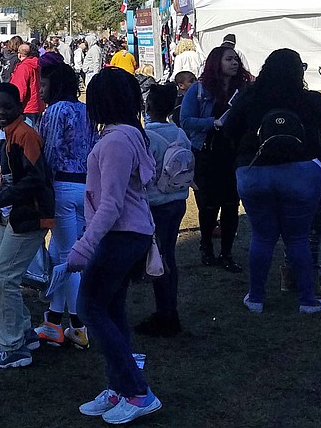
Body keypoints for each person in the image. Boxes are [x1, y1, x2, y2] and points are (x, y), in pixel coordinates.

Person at [69, 67, 161, 424]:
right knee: (112, 309)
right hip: (125, 234)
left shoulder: (117, 141)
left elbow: (111, 204)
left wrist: (83, 246)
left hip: (120, 235)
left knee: (90, 308)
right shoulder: (126, 136)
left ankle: (138, 391)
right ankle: (121, 386)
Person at [220, 48, 321, 315]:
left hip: (253, 172)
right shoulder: (309, 100)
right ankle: (308, 300)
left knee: (262, 237)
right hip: (300, 173)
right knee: (298, 239)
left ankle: (256, 298)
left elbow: (228, 128)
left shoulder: (250, 96)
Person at [0, 83, 54, 371]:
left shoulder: (25, 135)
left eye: (8, 106)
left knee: (5, 278)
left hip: (29, 215)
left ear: (19, 106)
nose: (2, 112)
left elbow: (34, 179)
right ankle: (24, 332)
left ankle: (12, 346)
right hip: (8, 214)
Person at [33, 62, 93, 350]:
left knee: (69, 260)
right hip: (85, 186)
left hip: (62, 187)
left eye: (43, 85)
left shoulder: (56, 111)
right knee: (60, 255)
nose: (40, 90)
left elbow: (49, 150)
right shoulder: (85, 109)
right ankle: (54, 322)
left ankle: (79, 325)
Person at [180, 44, 251, 271]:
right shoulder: (199, 90)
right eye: (229, 59)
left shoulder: (244, 90)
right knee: (209, 206)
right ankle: (206, 246)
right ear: (216, 62)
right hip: (207, 155)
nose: (234, 63)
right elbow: (186, 121)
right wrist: (213, 123)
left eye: (236, 59)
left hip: (233, 155)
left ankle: (227, 253)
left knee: (232, 204)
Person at [135, 81, 190, 337]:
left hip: (156, 203)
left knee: (160, 258)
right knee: (168, 255)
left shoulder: (148, 137)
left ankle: (166, 314)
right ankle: (168, 311)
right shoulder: (180, 133)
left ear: (148, 106)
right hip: (178, 199)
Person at [9, 43, 44, 126]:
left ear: (19, 55)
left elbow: (19, 89)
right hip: (38, 104)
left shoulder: (24, 67)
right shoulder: (38, 65)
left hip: (27, 107)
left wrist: (14, 105)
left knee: (27, 134)